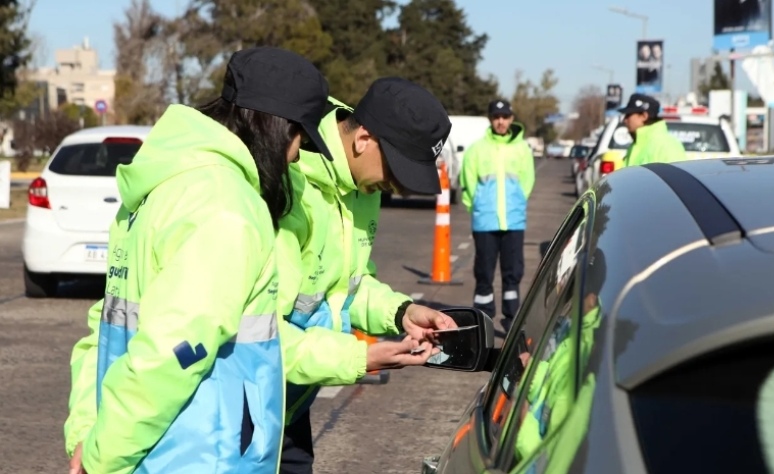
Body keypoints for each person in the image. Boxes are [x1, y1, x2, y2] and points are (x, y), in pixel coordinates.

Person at [64, 46, 337, 474]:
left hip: (138, 446)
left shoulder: (164, 183)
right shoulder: (226, 208)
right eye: (299, 137)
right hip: (199, 455)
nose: (297, 155)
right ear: (275, 128)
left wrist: (89, 432)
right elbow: (172, 352)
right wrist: (101, 456)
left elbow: (102, 329)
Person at [276, 77, 456, 474]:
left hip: (291, 404)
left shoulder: (361, 190)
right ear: (364, 139)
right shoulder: (289, 188)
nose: (395, 187)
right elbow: (260, 333)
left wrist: (402, 312)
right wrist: (361, 357)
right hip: (244, 404)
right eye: (396, 170)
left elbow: (348, 286)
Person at [459, 99, 535, 332]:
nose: (500, 122)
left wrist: (516, 203)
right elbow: (467, 183)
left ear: (511, 118)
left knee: (513, 272)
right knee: (484, 272)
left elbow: (527, 182)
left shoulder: (522, 149)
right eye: (496, 117)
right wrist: (480, 208)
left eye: (504, 117)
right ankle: (482, 319)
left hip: (513, 221)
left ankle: (512, 317)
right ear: (490, 119)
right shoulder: (476, 149)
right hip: (485, 222)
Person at [617, 94, 686, 168]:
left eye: (628, 115)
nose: (625, 120)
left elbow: (676, 178)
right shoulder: (637, 145)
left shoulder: (667, 146)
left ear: (644, 116)